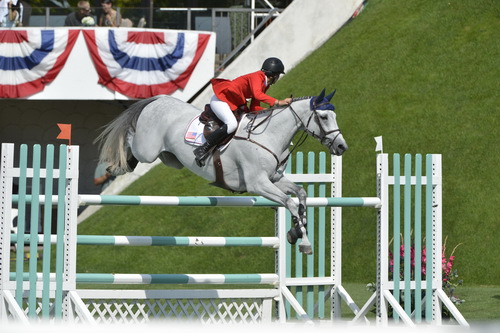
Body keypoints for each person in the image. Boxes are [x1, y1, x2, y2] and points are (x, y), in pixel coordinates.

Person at [193, 57, 292, 167]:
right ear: (274, 75)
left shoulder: (265, 85)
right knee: (232, 124)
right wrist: (278, 102)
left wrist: (271, 111)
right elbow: (257, 95)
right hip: (221, 100)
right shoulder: (257, 76)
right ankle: (202, 149)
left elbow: (254, 108)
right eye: (278, 75)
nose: (278, 78)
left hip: (233, 103)